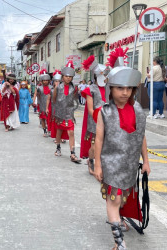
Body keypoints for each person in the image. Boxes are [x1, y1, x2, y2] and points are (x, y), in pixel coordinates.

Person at [94, 51, 150, 250]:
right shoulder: (105, 111)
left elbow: (141, 136)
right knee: (114, 199)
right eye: (119, 88)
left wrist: (146, 161)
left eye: (128, 88)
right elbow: (99, 138)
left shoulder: (137, 110)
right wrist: (98, 164)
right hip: (111, 163)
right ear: (111, 88)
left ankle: (119, 220)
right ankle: (119, 242)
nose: (124, 92)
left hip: (129, 165)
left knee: (122, 197)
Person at [80, 55, 107, 175]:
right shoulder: (90, 89)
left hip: (108, 120)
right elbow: (90, 109)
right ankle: (91, 161)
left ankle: (102, 164)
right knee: (94, 144)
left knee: (106, 144)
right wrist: (98, 118)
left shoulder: (110, 88)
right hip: (95, 120)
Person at [52, 61, 81, 163]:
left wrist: (73, 109)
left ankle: (72, 153)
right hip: (59, 113)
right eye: (66, 76)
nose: (68, 78)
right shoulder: (57, 87)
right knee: (59, 132)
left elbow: (75, 100)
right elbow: (54, 100)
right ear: (62, 76)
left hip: (69, 113)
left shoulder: (74, 88)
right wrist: (54, 113)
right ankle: (58, 147)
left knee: (71, 132)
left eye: (70, 76)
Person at [33, 70, 52, 137]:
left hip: (50, 105)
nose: (45, 81)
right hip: (41, 105)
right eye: (44, 80)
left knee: (50, 119)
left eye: (46, 80)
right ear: (41, 81)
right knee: (43, 119)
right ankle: (45, 130)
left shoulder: (52, 87)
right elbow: (35, 94)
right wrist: (34, 102)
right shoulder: (39, 88)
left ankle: (50, 130)